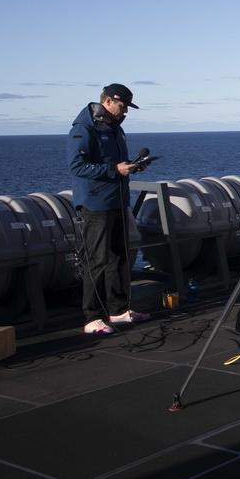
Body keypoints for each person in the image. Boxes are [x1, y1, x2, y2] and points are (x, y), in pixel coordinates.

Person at [68, 84, 151, 334]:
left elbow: (115, 164)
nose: (124, 112)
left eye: (127, 108)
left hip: (116, 201)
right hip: (95, 204)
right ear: (107, 102)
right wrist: (114, 170)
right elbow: (77, 166)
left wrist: (131, 167)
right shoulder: (84, 129)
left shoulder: (116, 129)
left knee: (119, 257)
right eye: (122, 106)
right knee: (96, 260)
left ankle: (118, 310)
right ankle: (92, 316)